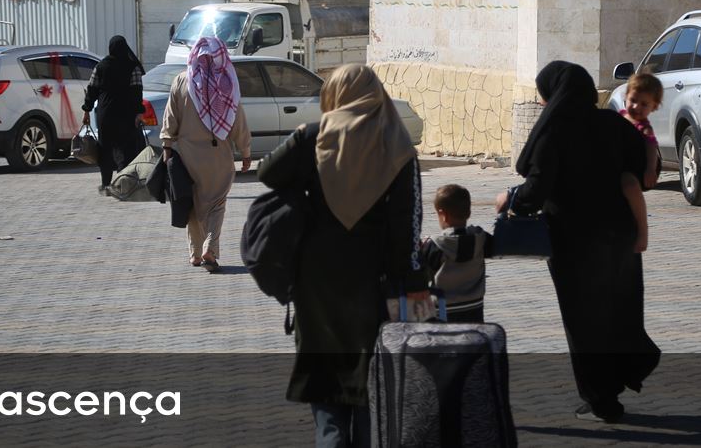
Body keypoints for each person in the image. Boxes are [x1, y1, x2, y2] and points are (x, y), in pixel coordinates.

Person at [257, 63, 429, 448]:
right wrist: (416, 297)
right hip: (378, 288)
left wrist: (308, 137)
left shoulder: (315, 138)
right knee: (376, 398)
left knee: (329, 403)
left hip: (317, 288)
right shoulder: (399, 147)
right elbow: (407, 232)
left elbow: (268, 173)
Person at [498, 61, 659, 424]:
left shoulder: (555, 134)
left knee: (584, 319)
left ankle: (601, 399)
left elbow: (536, 189)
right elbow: (643, 176)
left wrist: (510, 200)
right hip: (621, 235)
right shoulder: (615, 125)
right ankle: (622, 376)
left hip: (575, 240)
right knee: (619, 308)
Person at [158, 36, 251, 272]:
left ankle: (196, 254)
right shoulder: (227, 82)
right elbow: (237, 121)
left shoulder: (182, 81)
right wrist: (246, 151)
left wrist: (167, 147)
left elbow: (170, 117)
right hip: (218, 155)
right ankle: (210, 247)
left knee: (193, 202)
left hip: (189, 155)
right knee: (216, 203)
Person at [419, 184, 493, 323]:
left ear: (443, 215)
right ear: (469, 212)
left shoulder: (435, 245)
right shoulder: (481, 238)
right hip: (474, 307)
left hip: (442, 309)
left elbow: (423, 272)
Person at [82, 35, 145, 194]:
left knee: (106, 149)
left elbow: (92, 89)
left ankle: (105, 184)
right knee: (126, 149)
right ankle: (123, 185)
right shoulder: (133, 67)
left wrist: (87, 110)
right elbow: (137, 91)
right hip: (126, 114)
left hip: (105, 114)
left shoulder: (101, 66)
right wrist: (138, 113)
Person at [619, 73, 663, 189]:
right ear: (626, 96)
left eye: (644, 104)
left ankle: (638, 208)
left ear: (654, 107)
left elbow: (651, 148)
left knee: (631, 187)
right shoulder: (619, 117)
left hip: (630, 171)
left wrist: (650, 169)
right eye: (633, 100)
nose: (636, 107)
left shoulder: (644, 129)